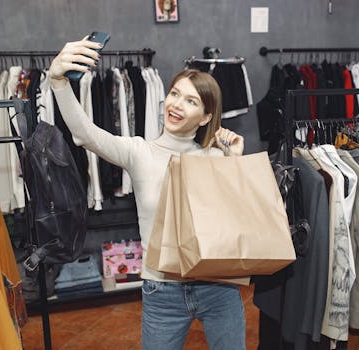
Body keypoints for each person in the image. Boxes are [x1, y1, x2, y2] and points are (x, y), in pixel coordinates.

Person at [49, 36, 246, 350]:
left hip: (218, 287)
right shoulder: (138, 152)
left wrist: (234, 162)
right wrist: (57, 79)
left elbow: (238, 223)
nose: (177, 104)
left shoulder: (215, 157)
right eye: (174, 94)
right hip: (162, 291)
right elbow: (83, 132)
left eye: (191, 101)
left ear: (206, 116)